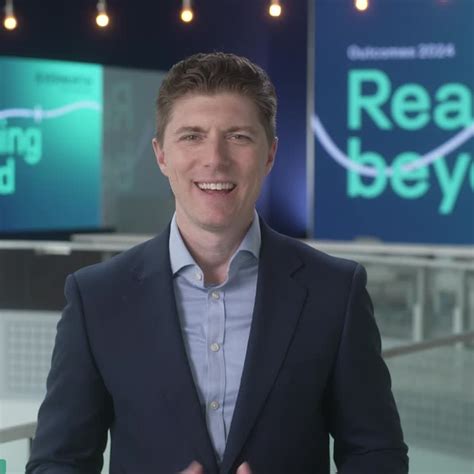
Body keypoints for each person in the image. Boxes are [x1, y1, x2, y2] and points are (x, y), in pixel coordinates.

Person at [26, 52, 408, 474]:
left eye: (239, 136)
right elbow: (57, 462)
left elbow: (377, 455)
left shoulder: (335, 291)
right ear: (161, 155)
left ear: (270, 154)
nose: (215, 159)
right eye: (192, 136)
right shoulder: (96, 297)